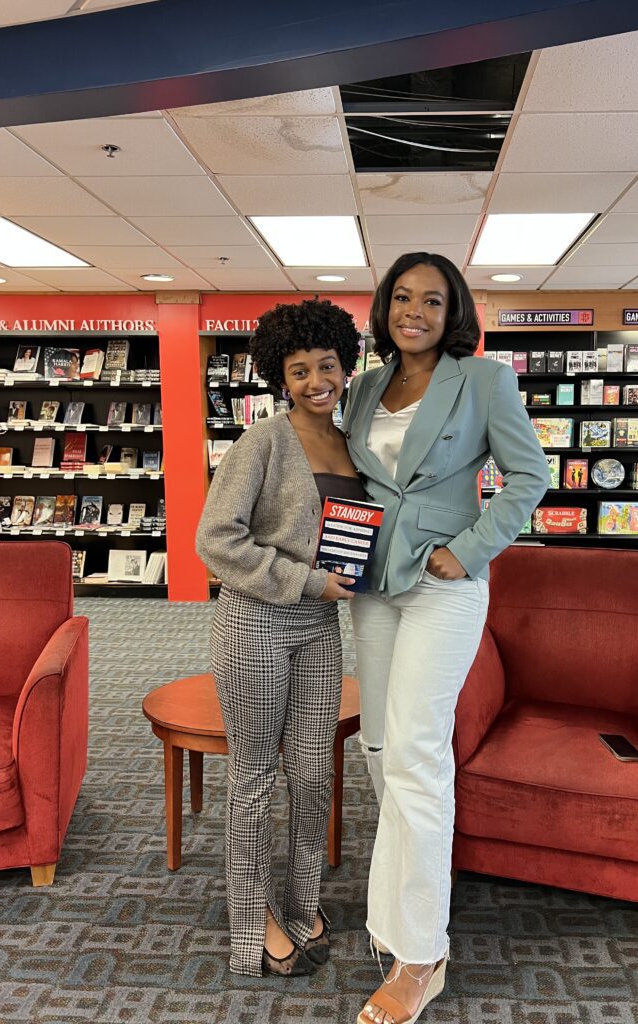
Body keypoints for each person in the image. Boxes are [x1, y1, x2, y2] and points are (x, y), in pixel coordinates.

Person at [343, 252, 551, 1024]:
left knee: (419, 751)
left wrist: (465, 550)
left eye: (433, 300)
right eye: (402, 297)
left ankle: (421, 952)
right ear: (385, 307)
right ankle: (395, 914)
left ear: (453, 309)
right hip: (373, 584)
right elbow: (355, 482)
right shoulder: (366, 386)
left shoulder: (484, 379)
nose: (416, 312)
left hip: (444, 583)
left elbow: (530, 478)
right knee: (379, 746)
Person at [195, 298, 363, 978]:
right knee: (255, 779)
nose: (316, 380)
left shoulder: (353, 441)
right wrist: (307, 581)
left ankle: (303, 900)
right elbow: (215, 539)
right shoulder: (260, 442)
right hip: (257, 621)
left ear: (346, 368)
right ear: (280, 377)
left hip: (319, 627)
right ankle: (252, 922)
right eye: (300, 370)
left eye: (327, 365)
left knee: (313, 773)